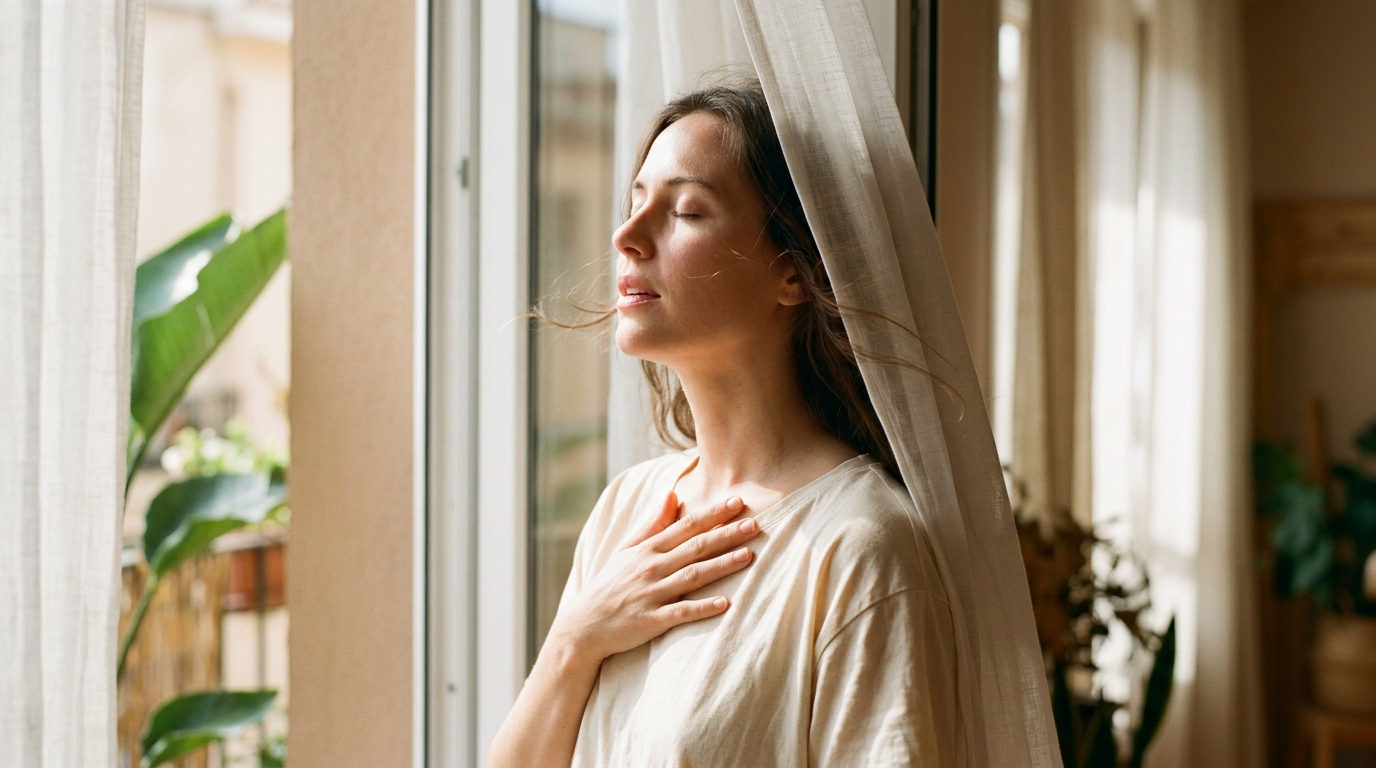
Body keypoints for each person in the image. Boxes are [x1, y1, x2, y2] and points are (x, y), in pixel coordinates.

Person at [490, 82, 959, 767]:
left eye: (684, 210)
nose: (626, 237)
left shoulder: (860, 550)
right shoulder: (629, 507)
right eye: (634, 202)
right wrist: (575, 641)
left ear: (794, 273)